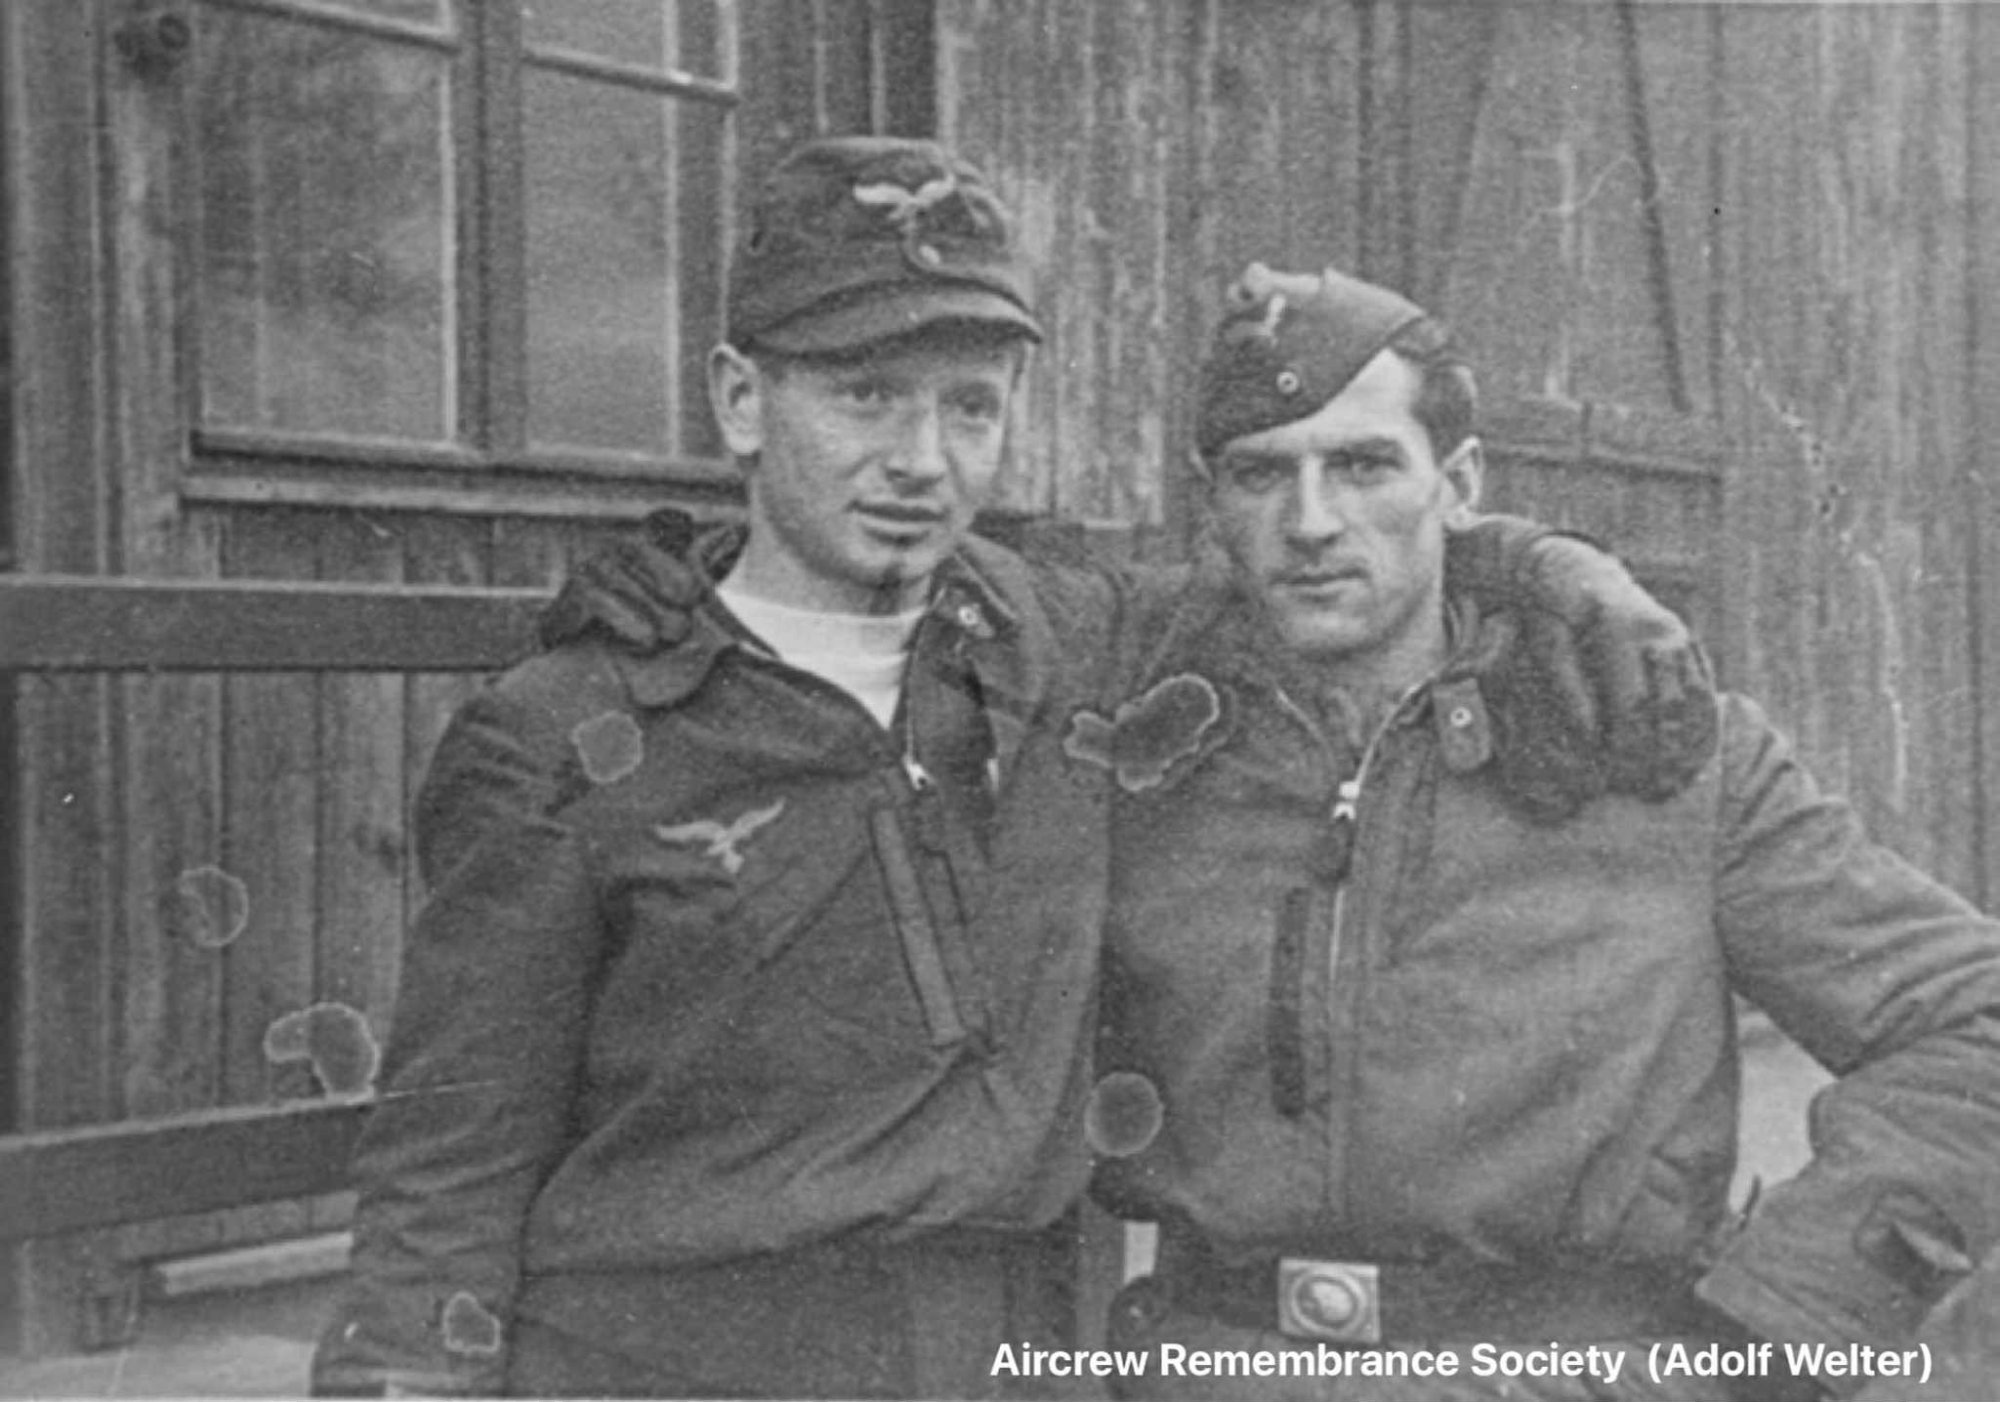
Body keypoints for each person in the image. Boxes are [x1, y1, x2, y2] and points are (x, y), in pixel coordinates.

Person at [310, 140, 1713, 1399]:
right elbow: (448, 1159)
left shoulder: (1069, 642)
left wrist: (1558, 569)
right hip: (671, 1357)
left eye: (969, 406)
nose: (920, 458)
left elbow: (1334, 546)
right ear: (742, 400)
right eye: (864, 395)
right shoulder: (567, 732)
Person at [1089, 263, 2000, 1400]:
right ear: (1208, 501)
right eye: (1260, 474)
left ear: (1457, 480)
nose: (1310, 521)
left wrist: (1773, 1337)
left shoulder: (1656, 751)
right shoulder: (1138, 741)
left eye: (1365, 465)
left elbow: (1972, 1022)